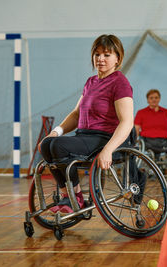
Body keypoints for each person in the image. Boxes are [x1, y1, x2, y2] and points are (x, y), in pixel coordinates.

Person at [39, 34, 134, 213]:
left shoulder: (120, 82)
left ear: (117, 58)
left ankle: (75, 197)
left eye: (106, 55)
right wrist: (56, 131)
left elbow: (127, 122)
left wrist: (108, 150)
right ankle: (67, 195)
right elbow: (76, 114)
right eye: (97, 54)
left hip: (104, 138)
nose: (100, 59)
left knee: (59, 147)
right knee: (47, 144)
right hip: (84, 136)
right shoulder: (91, 82)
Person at [134, 89, 167, 158]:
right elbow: (136, 130)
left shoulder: (166, 112)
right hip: (148, 141)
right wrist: (134, 143)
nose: (154, 100)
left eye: (156, 98)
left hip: (163, 141)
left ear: (159, 99)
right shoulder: (141, 113)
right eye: (151, 98)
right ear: (147, 100)